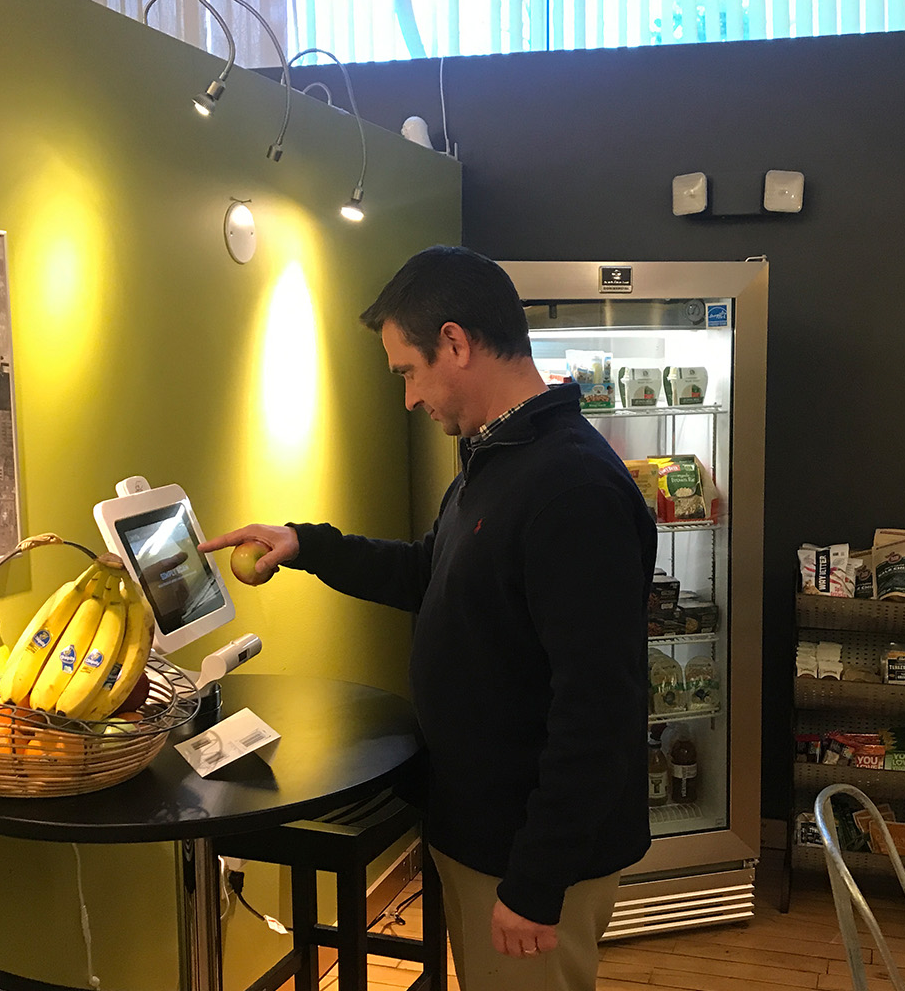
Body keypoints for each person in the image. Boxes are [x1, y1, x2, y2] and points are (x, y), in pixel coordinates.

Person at [200, 246, 656, 991]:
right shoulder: (498, 457)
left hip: (530, 854)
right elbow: (429, 572)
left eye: (408, 371)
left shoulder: (572, 487)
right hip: (481, 829)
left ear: (456, 342)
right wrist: (306, 546)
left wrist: (535, 882)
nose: (410, 398)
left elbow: (600, 707)